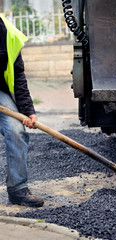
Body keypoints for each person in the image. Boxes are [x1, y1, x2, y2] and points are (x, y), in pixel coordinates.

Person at [0, 14, 44, 207]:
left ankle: (18, 189)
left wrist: (27, 110)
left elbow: (17, 75)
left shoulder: (9, 35)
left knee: (16, 130)